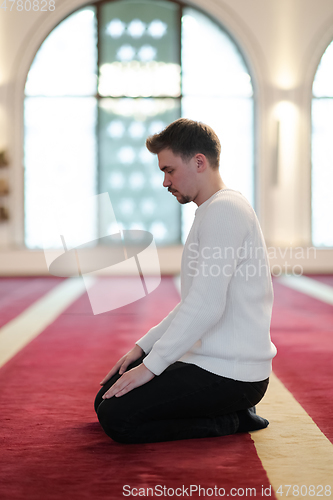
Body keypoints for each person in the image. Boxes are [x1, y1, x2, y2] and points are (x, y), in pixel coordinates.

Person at [94, 118, 277, 444]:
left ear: (198, 161)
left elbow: (207, 305)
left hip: (234, 374)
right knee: (108, 396)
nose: (165, 181)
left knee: (117, 419)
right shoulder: (210, 210)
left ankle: (232, 419)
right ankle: (224, 412)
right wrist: (143, 349)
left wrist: (152, 366)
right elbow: (194, 302)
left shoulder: (226, 210)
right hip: (212, 364)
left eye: (170, 170)